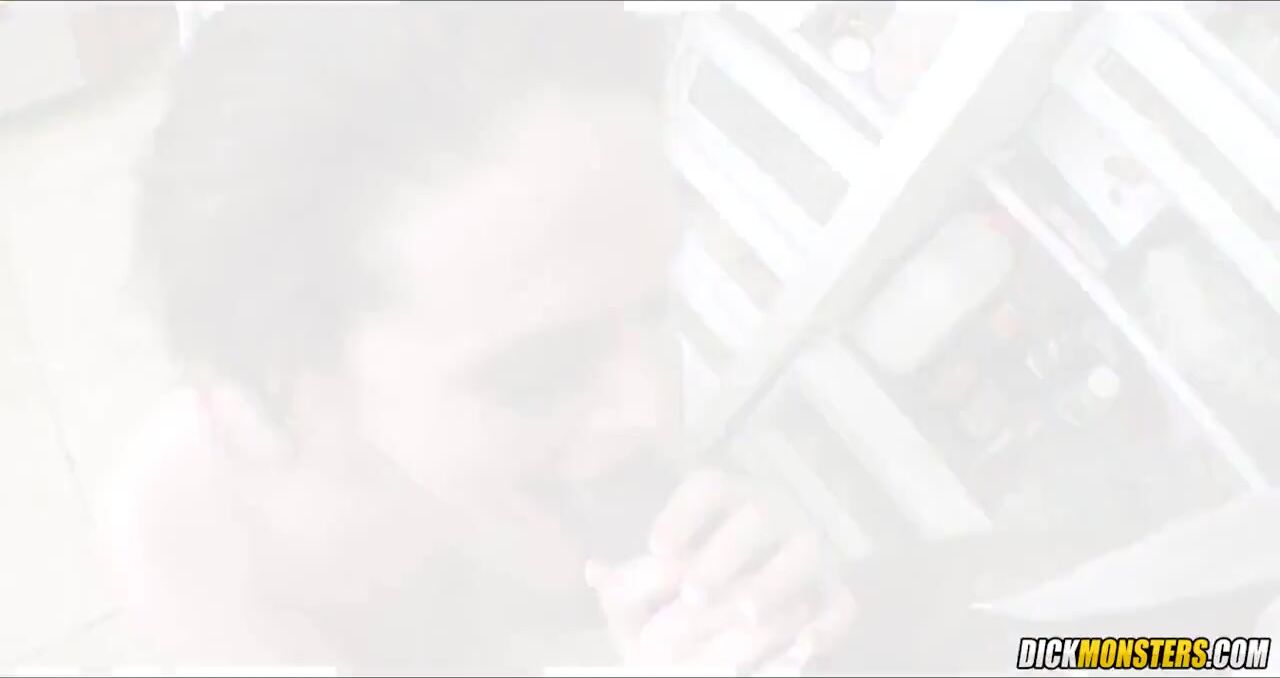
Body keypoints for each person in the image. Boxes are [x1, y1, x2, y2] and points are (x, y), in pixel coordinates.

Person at [100, 3, 854, 674]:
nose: (654, 408)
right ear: (303, 390)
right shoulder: (198, 536)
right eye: (537, 373)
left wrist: (747, 603)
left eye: (656, 305)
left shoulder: (566, 429)